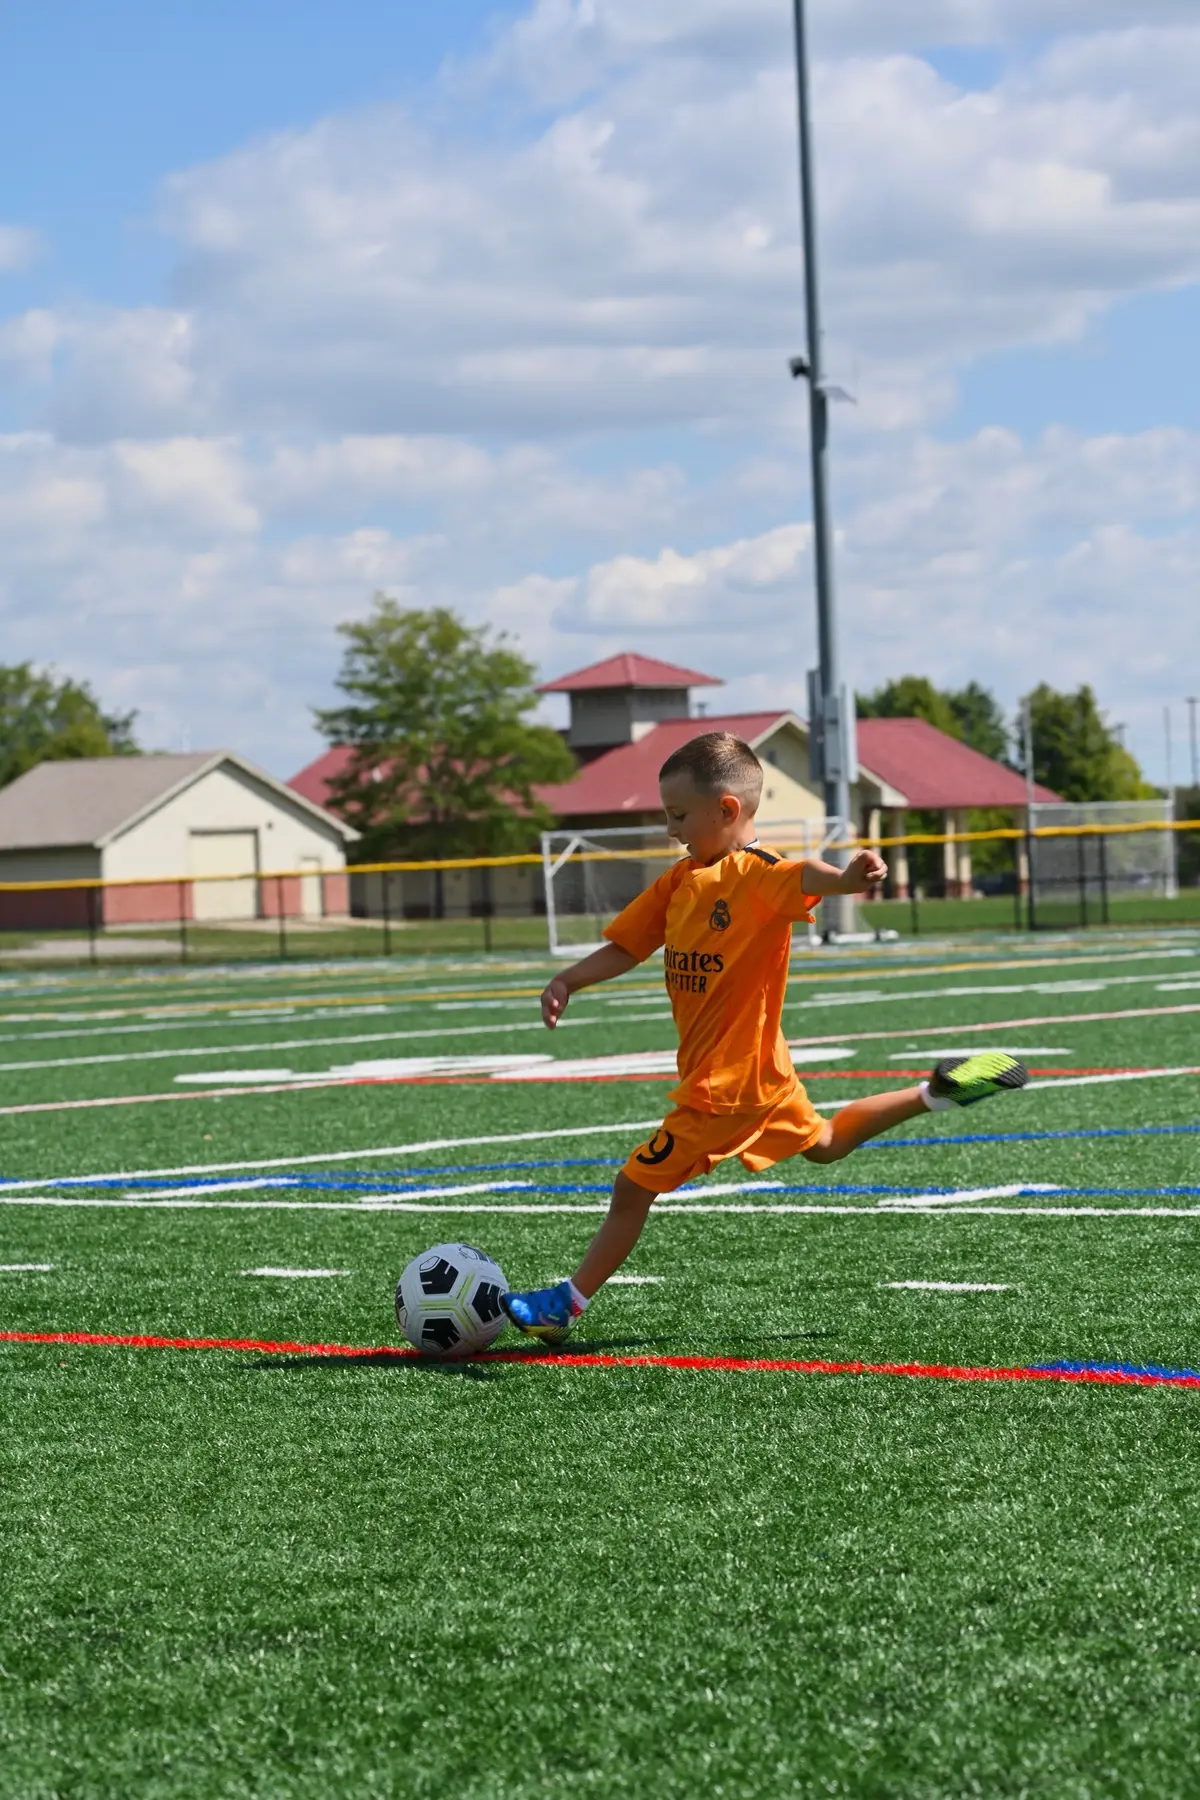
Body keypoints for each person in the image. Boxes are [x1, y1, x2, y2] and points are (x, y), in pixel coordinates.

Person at [501, 732, 1027, 1345]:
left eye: (679, 816)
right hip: (765, 1071)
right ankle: (937, 1092)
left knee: (631, 1186)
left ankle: (567, 1302)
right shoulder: (678, 882)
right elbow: (628, 945)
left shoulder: (756, 874)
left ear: (726, 810)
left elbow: (806, 874)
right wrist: (569, 979)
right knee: (825, 1142)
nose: (672, 830)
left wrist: (851, 880)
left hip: (727, 1086)